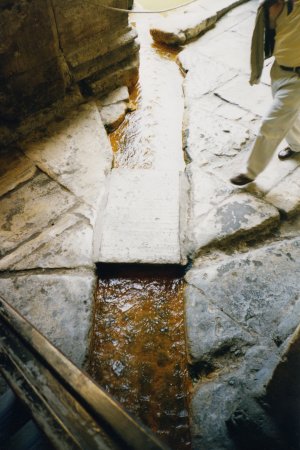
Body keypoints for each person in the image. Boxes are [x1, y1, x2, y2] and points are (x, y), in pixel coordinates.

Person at [230, 0, 300, 186]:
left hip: (298, 78)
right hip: (279, 71)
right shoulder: (276, 5)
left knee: (273, 122)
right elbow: (269, 35)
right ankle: (297, 145)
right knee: (289, 117)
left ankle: (250, 171)